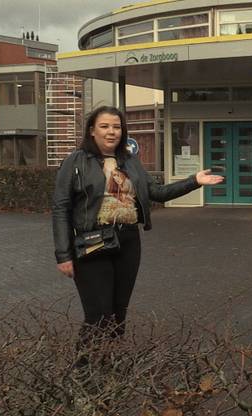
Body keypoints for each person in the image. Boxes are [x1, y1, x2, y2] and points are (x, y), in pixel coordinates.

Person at [52, 106, 222, 344]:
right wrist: (63, 254)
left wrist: (194, 181)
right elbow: (61, 207)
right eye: (104, 126)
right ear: (92, 130)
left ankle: (113, 371)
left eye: (117, 126)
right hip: (92, 243)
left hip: (128, 242)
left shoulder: (130, 162)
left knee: (118, 316)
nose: (111, 132)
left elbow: (158, 193)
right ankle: (84, 374)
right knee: (98, 316)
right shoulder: (75, 161)